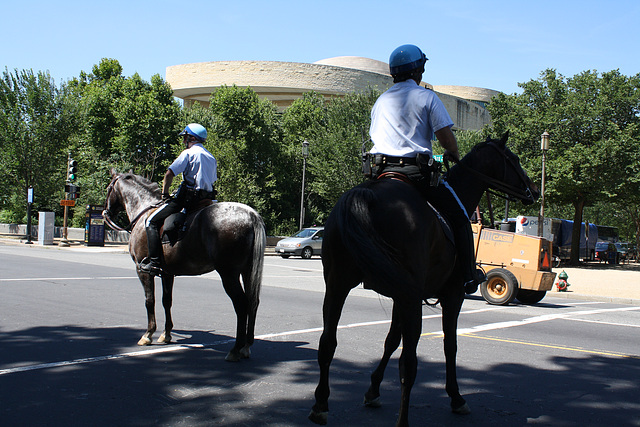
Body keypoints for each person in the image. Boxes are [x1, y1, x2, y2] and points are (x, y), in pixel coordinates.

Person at [368, 44, 485, 293]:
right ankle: (467, 275)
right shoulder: (427, 97)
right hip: (414, 172)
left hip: (379, 171)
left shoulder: (382, 100)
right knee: (461, 216)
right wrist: (452, 154)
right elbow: (445, 140)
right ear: (419, 70)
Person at [140, 123, 218, 276]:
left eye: (185, 138)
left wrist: (165, 193)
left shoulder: (188, 154)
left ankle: (154, 262)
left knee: (151, 222)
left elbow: (169, 174)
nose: (184, 142)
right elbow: (212, 180)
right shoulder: (211, 157)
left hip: (189, 199)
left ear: (191, 138)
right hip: (207, 199)